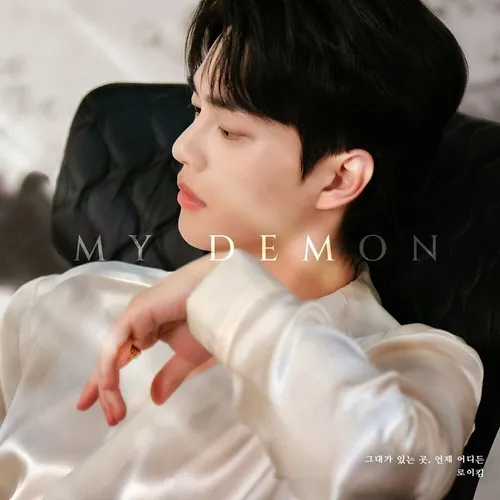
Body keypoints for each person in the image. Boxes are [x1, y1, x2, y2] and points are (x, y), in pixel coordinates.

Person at [0, 0, 483, 498]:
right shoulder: (66, 302)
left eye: (230, 130)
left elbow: (377, 470)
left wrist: (228, 293)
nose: (182, 147)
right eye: (197, 110)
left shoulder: (411, 368)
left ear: (340, 178)